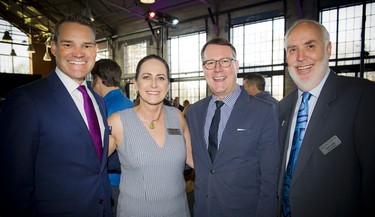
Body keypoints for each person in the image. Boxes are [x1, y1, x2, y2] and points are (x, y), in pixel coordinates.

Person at [0, 13, 112, 216]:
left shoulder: (99, 102)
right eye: (68, 45)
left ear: (96, 50)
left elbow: (96, 164)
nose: (78, 53)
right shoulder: (27, 100)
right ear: (53, 47)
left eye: (87, 45)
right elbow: (13, 184)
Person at [278, 19, 375, 217]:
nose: (301, 57)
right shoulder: (282, 107)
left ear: (328, 49)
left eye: (310, 46)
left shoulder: (362, 96)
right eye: (292, 50)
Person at [186, 38, 279, 217]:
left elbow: (270, 177)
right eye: (210, 62)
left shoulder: (264, 111)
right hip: (202, 209)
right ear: (204, 68)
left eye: (225, 61)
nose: (217, 68)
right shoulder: (195, 112)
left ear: (236, 65)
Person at [107, 54, 194, 216]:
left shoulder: (177, 116)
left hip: (179, 211)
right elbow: (90, 165)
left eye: (160, 78)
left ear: (167, 85)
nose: (154, 84)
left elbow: (193, 159)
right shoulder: (118, 121)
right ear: (136, 83)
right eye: (146, 77)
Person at [91, 58, 134, 216]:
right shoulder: (130, 104)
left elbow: (96, 149)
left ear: (98, 79)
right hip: (129, 180)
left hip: (111, 182)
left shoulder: (104, 108)